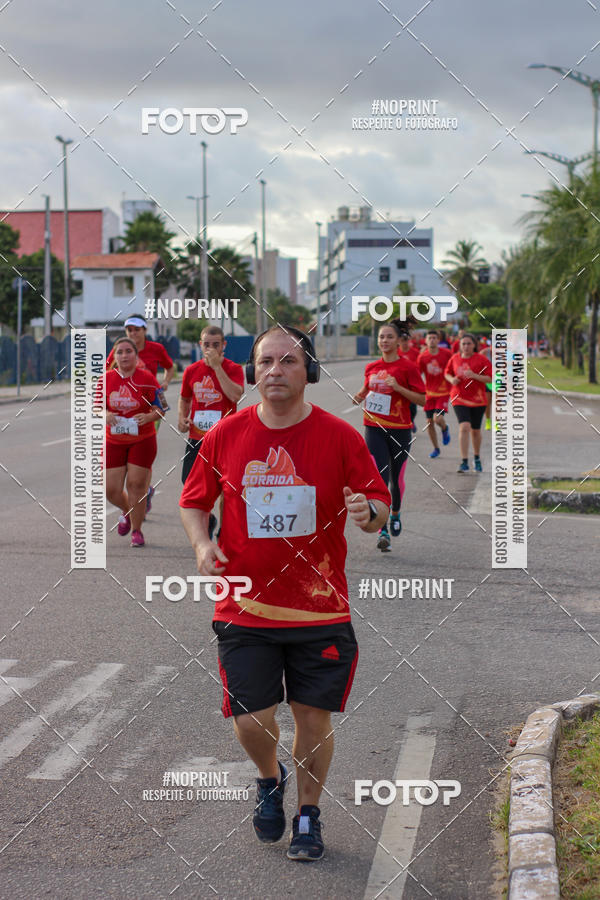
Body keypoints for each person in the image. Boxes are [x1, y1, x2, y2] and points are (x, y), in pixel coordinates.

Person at [180, 326, 390, 862]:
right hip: (244, 603)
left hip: (319, 608)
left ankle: (307, 814)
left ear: (308, 372)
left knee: (312, 720)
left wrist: (371, 515)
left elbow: (376, 504)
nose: (275, 370)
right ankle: (269, 779)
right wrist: (203, 546)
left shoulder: (340, 437)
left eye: (288, 361)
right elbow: (193, 501)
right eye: (266, 361)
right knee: (251, 719)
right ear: (253, 372)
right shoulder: (225, 435)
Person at [353, 319, 425, 551]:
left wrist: (399, 388)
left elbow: (423, 400)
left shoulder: (408, 368)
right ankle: (382, 529)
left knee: (397, 479)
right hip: (374, 427)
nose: (384, 341)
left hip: (400, 430)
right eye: (381, 337)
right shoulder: (371, 367)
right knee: (379, 477)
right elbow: (366, 390)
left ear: (398, 341)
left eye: (389, 337)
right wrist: (359, 396)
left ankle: (395, 513)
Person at [107, 315, 176, 511]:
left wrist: (165, 382)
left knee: (143, 449)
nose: (133, 333)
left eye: (137, 329)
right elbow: (106, 373)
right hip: (123, 408)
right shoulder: (119, 350)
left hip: (149, 406)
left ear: (145, 330)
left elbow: (170, 368)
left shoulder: (157, 349)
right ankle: (142, 491)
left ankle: (142, 489)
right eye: (129, 330)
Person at [102, 337, 162, 547]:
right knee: (110, 490)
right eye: (120, 352)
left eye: (128, 351)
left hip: (142, 439)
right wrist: (105, 414)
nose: (124, 356)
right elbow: (95, 407)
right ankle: (127, 512)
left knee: (136, 485)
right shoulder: (106, 379)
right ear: (115, 357)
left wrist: (148, 417)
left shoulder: (147, 378)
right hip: (114, 441)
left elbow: (161, 407)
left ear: (136, 356)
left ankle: (137, 530)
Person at [178, 326, 244, 483]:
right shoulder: (191, 370)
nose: (211, 348)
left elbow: (235, 396)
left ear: (224, 345)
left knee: (225, 488)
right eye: (207, 344)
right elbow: (185, 398)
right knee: (189, 484)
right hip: (197, 437)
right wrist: (182, 417)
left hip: (225, 439)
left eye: (216, 345)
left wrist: (217, 367)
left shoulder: (234, 369)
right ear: (201, 345)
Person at [444, 333, 492, 473]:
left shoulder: (481, 359)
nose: (466, 346)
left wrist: (475, 376)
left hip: (478, 399)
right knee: (464, 426)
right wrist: (451, 380)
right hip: (458, 397)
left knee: (475, 431)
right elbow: (447, 373)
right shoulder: (454, 358)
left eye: (469, 343)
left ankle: (476, 458)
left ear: (474, 345)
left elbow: (491, 378)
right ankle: (464, 461)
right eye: (463, 343)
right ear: (460, 345)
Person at [418, 330, 452, 458]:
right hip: (429, 393)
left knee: (438, 418)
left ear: (438, 340)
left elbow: (453, 367)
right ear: (426, 341)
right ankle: (436, 448)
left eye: (434, 338)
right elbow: (418, 375)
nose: (432, 340)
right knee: (429, 421)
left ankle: (444, 428)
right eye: (429, 338)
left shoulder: (447, 354)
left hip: (443, 392)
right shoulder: (423, 357)